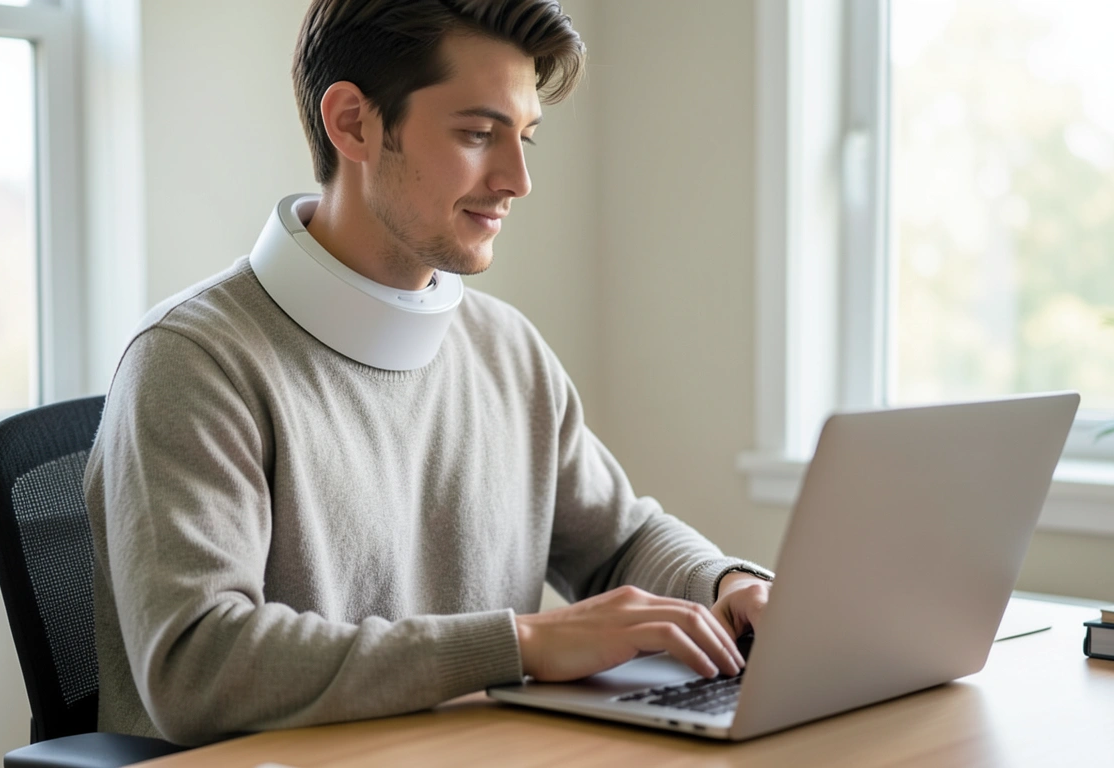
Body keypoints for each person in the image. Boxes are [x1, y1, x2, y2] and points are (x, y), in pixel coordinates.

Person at [85, 0, 773, 746]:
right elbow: (199, 666)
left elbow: (617, 541)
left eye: (525, 139)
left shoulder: (506, 348)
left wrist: (724, 584)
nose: (518, 180)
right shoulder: (193, 361)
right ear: (351, 122)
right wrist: (522, 645)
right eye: (479, 134)